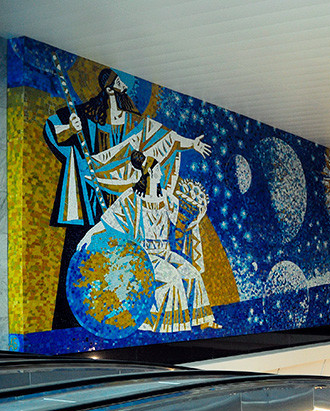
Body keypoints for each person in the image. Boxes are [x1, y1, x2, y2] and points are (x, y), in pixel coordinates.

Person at [45, 67, 210, 329]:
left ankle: (123, 317)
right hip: (91, 196)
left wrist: (192, 143)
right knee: (87, 259)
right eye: (119, 82)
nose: (124, 86)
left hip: (124, 201)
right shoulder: (86, 113)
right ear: (109, 88)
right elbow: (51, 129)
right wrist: (70, 126)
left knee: (125, 267)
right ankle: (74, 323)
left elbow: (165, 137)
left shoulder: (136, 124)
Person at [78, 149, 219, 332]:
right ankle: (172, 327)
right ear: (151, 173)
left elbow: (182, 223)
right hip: (143, 255)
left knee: (192, 274)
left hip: (164, 252)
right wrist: (87, 237)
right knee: (173, 277)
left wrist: (197, 216)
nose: (161, 173)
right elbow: (107, 222)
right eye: (159, 170)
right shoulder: (131, 198)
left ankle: (204, 320)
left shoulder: (166, 197)